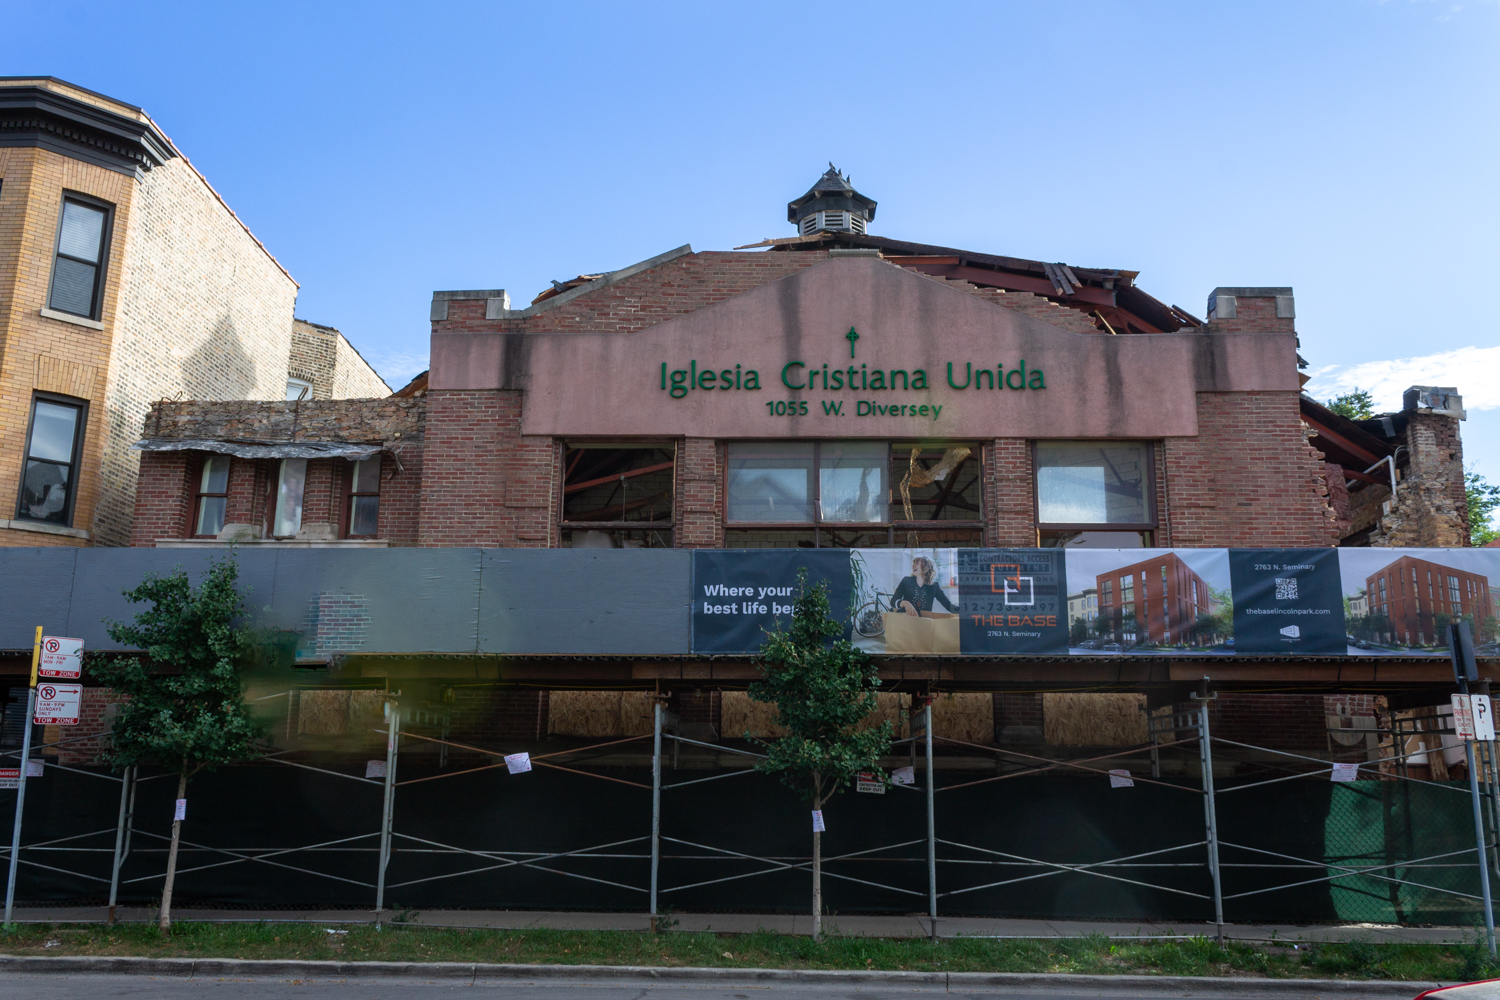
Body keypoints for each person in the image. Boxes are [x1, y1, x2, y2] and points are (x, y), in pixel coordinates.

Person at [891, 555, 957, 616]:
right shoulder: (906, 581)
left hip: (924, 623)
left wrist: (965, 612)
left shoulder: (934, 586)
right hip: (905, 621)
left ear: (926, 566)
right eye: (913, 563)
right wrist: (904, 603)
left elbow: (948, 605)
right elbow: (893, 601)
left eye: (917, 563)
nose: (913, 565)